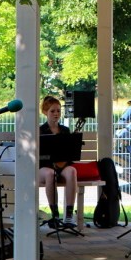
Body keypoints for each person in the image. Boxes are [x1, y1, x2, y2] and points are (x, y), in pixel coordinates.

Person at [37, 95, 79, 227]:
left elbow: (70, 153)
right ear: (45, 112)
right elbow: (38, 156)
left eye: (58, 111)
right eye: (52, 111)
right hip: (45, 168)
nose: (56, 114)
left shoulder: (65, 131)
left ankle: (69, 215)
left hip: (62, 165)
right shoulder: (39, 131)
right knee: (50, 174)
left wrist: (62, 162)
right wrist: (52, 161)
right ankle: (55, 215)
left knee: (72, 171)